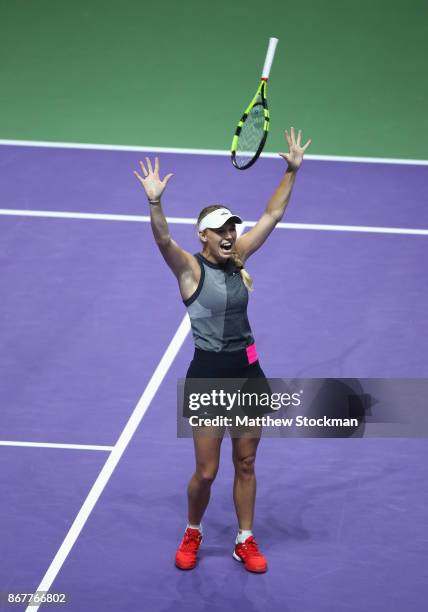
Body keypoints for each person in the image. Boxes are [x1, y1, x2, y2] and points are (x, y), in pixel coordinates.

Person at [134, 127, 311, 573]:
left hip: (249, 374)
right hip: (209, 377)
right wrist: (156, 202)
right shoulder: (190, 271)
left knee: (246, 461)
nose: (231, 233)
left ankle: (244, 539)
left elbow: (271, 216)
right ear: (203, 237)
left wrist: (290, 171)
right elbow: (161, 240)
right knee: (208, 472)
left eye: (232, 226)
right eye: (220, 229)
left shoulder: (241, 257)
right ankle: (193, 530)